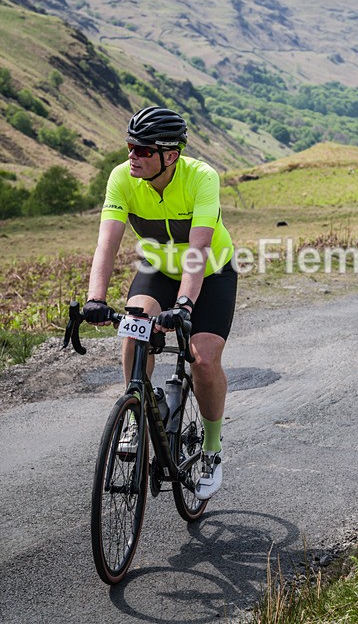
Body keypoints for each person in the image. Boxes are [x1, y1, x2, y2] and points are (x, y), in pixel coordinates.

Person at [82, 106, 237, 501]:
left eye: (143, 150)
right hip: (158, 270)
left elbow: (199, 250)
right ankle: (137, 413)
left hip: (211, 274)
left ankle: (212, 450)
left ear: (170, 155)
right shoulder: (122, 177)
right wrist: (95, 298)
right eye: (130, 147)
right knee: (134, 329)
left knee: (203, 360)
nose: (132, 156)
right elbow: (107, 243)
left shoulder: (201, 177)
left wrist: (184, 305)